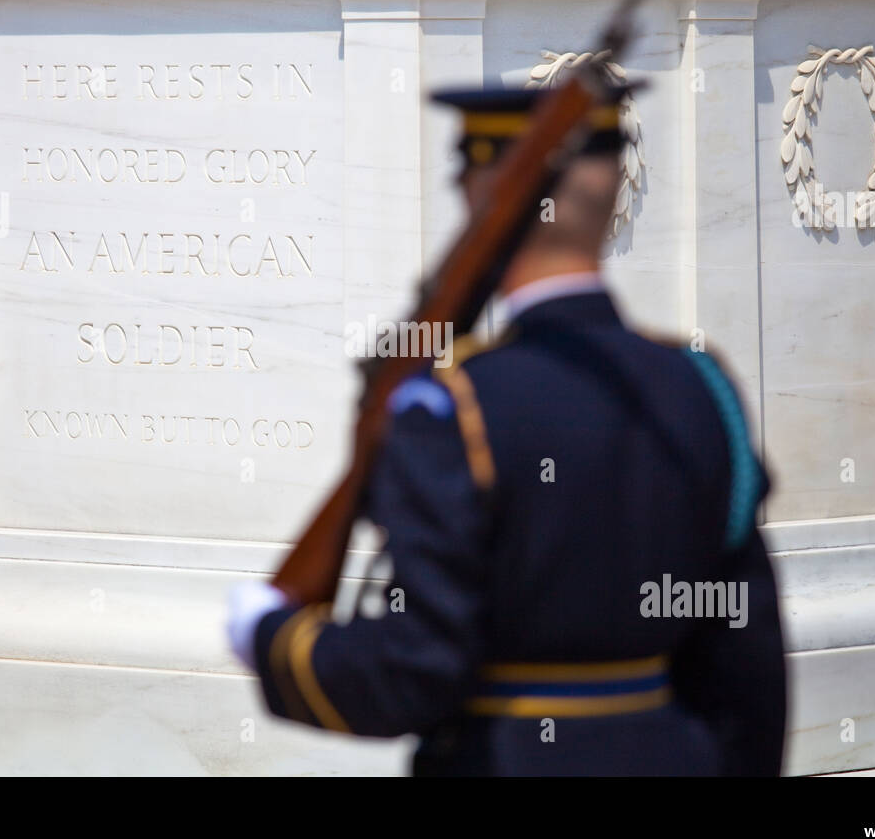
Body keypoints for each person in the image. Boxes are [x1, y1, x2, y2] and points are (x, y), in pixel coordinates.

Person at [226, 85, 787, 775]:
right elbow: (747, 655)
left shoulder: (455, 406)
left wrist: (273, 638)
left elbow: (416, 669)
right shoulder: (702, 387)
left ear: (488, 191)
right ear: (613, 194)